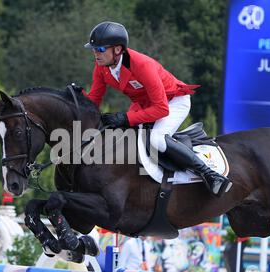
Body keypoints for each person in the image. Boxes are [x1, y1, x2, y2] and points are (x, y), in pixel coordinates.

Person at [84, 21, 232, 197]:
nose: (95, 53)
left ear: (117, 50)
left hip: (173, 102)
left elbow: (161, 109)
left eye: (100, 49)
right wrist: (76, 100)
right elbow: (94, 100)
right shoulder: (102, 67)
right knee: (123, 137)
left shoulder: (141, 65)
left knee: (157, 140)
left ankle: (209, 174)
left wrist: (126, 118)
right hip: (146, 104)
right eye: (93, 49)